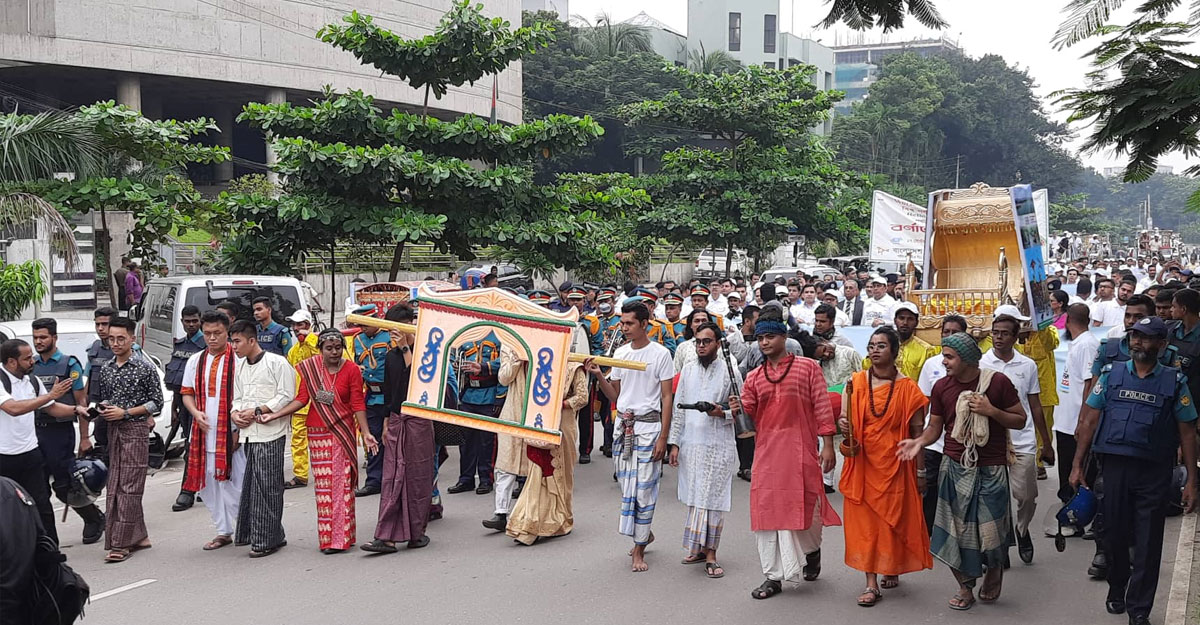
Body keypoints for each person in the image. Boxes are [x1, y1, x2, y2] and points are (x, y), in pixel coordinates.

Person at [1070, 316, 1198, 625]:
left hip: (1154, 471)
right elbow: (1089, 420)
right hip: (1115, 468)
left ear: (1162, 344)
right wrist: (1077, 464)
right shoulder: (1110, 375)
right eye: (1136, 336)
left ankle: (1139, 609)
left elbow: (1187, 432)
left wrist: (1192, 480)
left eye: (1147, 337)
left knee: (1148, 541)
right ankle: (1117, 585)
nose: (1138, 341)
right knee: (1114, 534)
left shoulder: (1174, 381)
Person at [896, 333, 1027, 610]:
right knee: (955, 533)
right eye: (944, 356)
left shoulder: (997, 383)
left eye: (949, 357)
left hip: (991, 468)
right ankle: (965, 586)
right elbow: (934, 427)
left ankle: (994, 569)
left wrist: (991, 410)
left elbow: (1019, 420)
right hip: (954, 465)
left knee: (992, 534)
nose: (943, 362)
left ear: (966, 359)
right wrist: (918, 442)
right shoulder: (942, 387)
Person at [731, 307, 841, 600]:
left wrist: (828, 445)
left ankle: (812, 551)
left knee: (806, 508)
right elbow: (748, 412)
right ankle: (773, 576)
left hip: (800, 450)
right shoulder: (755, 376)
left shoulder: (808, 368)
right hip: (767, 453)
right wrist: (735, 408)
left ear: (783, 337)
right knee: (767, 510)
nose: (764, 342)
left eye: (769, 337)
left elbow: (822, 407)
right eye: (760, 338)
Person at [838, 327, 932, 606]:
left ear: (894, 351)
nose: (874, 350)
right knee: (866, 526)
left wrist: (921, 472)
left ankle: (891, 565)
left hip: (897, 464)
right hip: (864, 465)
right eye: (871, 345)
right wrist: (843, 425)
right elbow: (845, 419)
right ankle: (871, 583)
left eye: (881, 345)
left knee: (892, 520)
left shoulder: (909, 389)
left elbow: (917, 434)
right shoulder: (855, 382)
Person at [269, 329, 378, 554]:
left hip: (342, 432)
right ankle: (330, 537)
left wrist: (366, 432)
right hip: (317, 433)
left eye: (338, 348)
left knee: (340, 485)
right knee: (324, 488)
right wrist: (275, 414)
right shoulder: (310, 369)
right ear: (320, 349)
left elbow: (357, 403)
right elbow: (301, 399)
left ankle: (340, 539)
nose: (334, 352)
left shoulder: (352, 370)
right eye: (329, 348)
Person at [585, 298, 675, 573]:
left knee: (644, 490)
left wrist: (664, 437)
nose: (623, 327)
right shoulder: (621, 354)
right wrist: (599, 376)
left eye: (629, 323)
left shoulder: (661, 354)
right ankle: (643, 533)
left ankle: (639, 548)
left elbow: (667, 397)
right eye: (622, 322)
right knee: (627, 489)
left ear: (644, 324)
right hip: (624, 430)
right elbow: (615, 396)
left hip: (649, 429)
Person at [980, 309, 1054, 565]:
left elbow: (1034, 405)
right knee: (994, 498)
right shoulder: (981, 364)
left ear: (1015, 337)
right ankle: (1000, 544)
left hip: (1022, 440)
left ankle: (1022, 531)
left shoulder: (1027, 365)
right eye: (995, 333)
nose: (999, 338)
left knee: (1026, 496)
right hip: (990, 440)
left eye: (1004, 334)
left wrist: (1046, 442)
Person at [668, 322, 740, 579]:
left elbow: (742, 408)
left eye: (706, 341)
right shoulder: (688, 370)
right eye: (698, 341)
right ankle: (697, 549)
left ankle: (711, 554)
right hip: (692, 444)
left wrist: (721, 412)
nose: (701, 346)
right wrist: (674, 444)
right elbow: (678, 409)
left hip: (719, 445)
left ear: (717, 344)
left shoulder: (730, 371)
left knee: (713, 500)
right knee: (695, 496)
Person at [362, 304, 436, 553]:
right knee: (392, 477)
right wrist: (385, 421)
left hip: (419, 420)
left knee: (417, 478)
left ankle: (416, 533)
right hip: (395, 419)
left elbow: (418, 382)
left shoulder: (426, 351)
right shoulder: (391, 356)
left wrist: (406, 347)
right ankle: (387, 537)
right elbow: (389, 390)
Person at [1, 338, 85, 547]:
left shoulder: (32, 381)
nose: (33, 361)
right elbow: (13, 408)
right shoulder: (1, 381)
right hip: (4, 458)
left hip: (31, 454)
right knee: (8, 511)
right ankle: (15, 557)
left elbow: (51, 407)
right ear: (11, 362)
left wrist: (76, 410)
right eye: (27, 358)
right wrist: (50, 396)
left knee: (42, 507)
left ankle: (51, 554)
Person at [93, 317, 162, 563]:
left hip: (135, 430)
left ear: (132, 339)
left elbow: (157, 402)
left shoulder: (145, 368)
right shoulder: (107, 368)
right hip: (113, 431)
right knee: (116, 483)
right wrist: (102, 409)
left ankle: (120, 543)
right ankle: (139, 536)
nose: (115, 343)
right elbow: (106, 398)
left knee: (129, 486)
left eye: (121, 338)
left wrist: (126, 413)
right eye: (111, 339)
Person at [30, 318, 104, 544]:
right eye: (35, 338)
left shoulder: (69, 364)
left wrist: (85, 438)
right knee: (38, 488)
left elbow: (81, 403)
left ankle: (93, 518)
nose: (38, 342)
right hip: (34, 432)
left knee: (65, 485)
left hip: (59, 433)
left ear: (54, 338)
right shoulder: (30, 364)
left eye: (43, 337)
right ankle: (44, 537)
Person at [228, 319, 296, 558]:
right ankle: (270, 534)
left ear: (251, 340)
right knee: (253, 487)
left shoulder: (277, 363)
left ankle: (265, 540)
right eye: (232, 341)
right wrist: (236, 414)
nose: (234, 346)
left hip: (271, 432)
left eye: (237, 341)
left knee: (268, 487)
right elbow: (237, 398)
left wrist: (259, 410)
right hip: (249, 435)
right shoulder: (240, 367)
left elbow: (287, 394)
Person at [180, 311, 245, 552]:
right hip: (203, 432)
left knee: (235, 482)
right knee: (208, 484)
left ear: (228, 332)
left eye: (217, 333)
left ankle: (245, 527)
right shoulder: (195, 360)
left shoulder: (239, 360)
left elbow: (246, 396)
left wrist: (236, 430)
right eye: (207, 333)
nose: (212, 338)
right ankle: (223, 530)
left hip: (232, 432)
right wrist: (195, 413)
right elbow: (187, 393)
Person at [507, 353, 588, 546]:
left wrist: (561, 404)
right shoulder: (537, 362)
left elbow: (582, 397)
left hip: (563, 425)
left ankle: (561, 519)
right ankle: (530, 523)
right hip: (540, 422)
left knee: (563, 474)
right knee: (537, 473)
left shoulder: (573, 366)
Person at [914, 314, 970, 534]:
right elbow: (924, 403)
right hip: (934, 442)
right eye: (945, 332)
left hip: (963, 444)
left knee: (960, 494)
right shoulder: (931, 365)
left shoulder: (976, 366)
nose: (949, 336)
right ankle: (930, 537)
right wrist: (919, 436)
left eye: (955, 332)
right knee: (930, 492)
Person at [448, 328, 503, 496]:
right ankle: (466, 479)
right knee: (465, 441)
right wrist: (455, 365)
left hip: (489, 392)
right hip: (468, 393)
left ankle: (486, 479)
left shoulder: (500, 335)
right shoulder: (467, 333)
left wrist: (484, 367)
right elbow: (452, 354)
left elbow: (506, 361)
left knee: (487, 442)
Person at [483, 344, 531, 532]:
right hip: (512, 411)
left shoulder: (546, 340)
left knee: (537, 464)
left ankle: (532, 514)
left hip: (539, 410)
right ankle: (501, 512)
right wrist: (517, 358)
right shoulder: (509, 345)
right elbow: (503, 378)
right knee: (505, 463)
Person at [1056, 304, 1098, 504]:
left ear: (1067, 320)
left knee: (1075, 475)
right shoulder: (1078, 343)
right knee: (1065, 472)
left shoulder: (1087, 345)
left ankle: (1076, 513)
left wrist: (1082, 421)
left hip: (1075, 423)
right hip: (1066, 421)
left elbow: (1090, 384)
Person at [165, 306, 205, 512]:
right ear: (181, 322)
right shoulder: (180, 344)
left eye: (194, 321)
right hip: (184, 405)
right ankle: (193, 488)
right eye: (187, 321)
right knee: (191, 448)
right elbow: (177, 381)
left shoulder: (206, 345)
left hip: (203, 404)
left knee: (197, 449)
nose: (191, 324)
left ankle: (190, 490)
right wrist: (174, 409)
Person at [351, 305, 392, 497]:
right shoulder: (357, 339)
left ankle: (393, 479)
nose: (362, 328)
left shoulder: (389, 336)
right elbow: (357, 362)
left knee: (392, 438)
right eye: (360, 325)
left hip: (390, 393)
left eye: (365, 324)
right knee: (372, 437)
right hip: (372, 395)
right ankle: (374, 480)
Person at [284, 309, 318, 490]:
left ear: (308, 325)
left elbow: (322, 357)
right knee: (297, 440)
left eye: (300, 324)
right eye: (294, 325)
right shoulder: (293, 351)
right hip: (300, 403)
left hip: (320, 402)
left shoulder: (318, 343)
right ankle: (300, 475)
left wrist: (309, 337)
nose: (296, 328)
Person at [863, 303, 937, 380]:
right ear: (895, 321)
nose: (905, 323)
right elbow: (866, 368)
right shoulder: (883, 346)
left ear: (916, 323)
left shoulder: (926, 350)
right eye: (901, 318)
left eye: (910, 319)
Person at [673, 309, 716, 373]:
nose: (701, 324)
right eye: (697, 321)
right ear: (690, 325)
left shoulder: (717, 346)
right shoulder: (683, 347)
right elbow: (676, 372)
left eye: (704, 321)